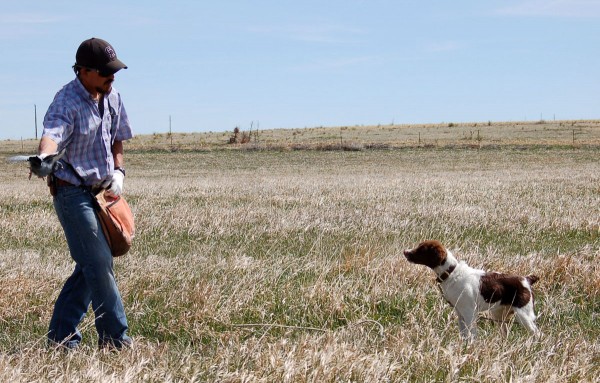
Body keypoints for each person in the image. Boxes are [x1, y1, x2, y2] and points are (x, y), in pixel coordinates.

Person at [34, 37, 133, 350]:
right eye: (105, 71)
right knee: (100, 263)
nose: (112, 76)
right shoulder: (66, 102)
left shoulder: (113, 96)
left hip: (102, 194)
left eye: (113, 70)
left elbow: (118, 139)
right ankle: (116, 342)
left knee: (90, 266)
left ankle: (61, 339)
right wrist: (44, 158)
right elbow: (52, 135)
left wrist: (118, 172)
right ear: (83, 71)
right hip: (71, 193)